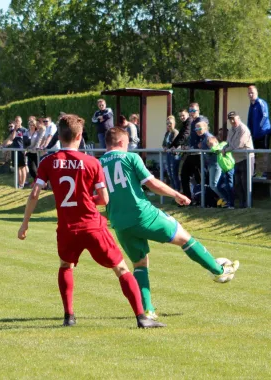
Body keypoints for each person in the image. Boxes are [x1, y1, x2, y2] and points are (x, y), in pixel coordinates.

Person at [17, 114, 164, 329]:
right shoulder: (92, 162)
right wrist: (86, 200)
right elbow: (104, 199)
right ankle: (142, 317)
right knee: (121, 269)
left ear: (60, 135)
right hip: (92, 225)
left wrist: (25, 223)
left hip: (67, 227)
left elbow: (35, 194)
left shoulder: (48, 161)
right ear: (79, 136)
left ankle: (69, 316)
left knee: (66, 266)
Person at [100, 127, 240, 320]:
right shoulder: (130, 158)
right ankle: (219, 271)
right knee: (184, 238)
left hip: (119, 222)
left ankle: (147, 310)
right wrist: (176, 194)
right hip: (143, 215)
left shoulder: (98, 164)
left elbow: (99, 196)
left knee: (140, 264)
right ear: (123, 142)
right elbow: (152, 183)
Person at [222, 112, 254, 208]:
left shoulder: (243, 129)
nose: (232, 121)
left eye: (233, 118)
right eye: (230, 119)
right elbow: (228, 143)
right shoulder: (231, 130)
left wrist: (225, 150)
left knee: (245, 182)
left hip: (246, 158)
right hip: (236, 160)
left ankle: (248, 204)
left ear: (238, 118)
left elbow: (237, 145)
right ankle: (241, 203)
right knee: (237, 183)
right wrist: (223, 148)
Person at [180, 103, 208, 202]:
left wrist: (199, 144)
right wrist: (186, 146)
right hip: (192, 153)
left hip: (200, 155)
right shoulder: (192, 122)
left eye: (194, 111)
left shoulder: (201, 120)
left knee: (201, 178)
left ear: (198, 111)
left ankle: (204, 200)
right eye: (190, 111)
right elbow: (191, 138)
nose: (192, 113)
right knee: (184, 174)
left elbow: (205, 135)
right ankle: (188, 199)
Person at [195, 122, 226, 205]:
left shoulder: (208, 137)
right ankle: (223, 200)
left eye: (199, 128)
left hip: (215, 164)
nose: (197, 130)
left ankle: (226, 199)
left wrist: (202, 147)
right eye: (196, 129)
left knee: (213, 185)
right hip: (211, 164)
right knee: (214, 184)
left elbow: (215, 147)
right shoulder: (202, 137)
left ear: (205, 128)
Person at [247, 85, 271, 179]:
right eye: (249, 93)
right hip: (254, 134)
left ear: (256, 93)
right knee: (252, 152)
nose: (250, 95)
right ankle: (252, 172)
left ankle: (266, 171)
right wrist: (249, 132)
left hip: (264, 132)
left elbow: (265, 116)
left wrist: (259, 128)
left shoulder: (261, 102)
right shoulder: (251, 105)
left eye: (252, 93)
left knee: (265, 151)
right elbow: (249, 120)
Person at [207, 135, 235, 208]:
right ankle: (227, 200)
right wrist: (213, 147)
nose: (211, 147)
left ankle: (231, 204)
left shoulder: (223, 144)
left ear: (216, 142)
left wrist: (213, 147)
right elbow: (214, 149)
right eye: (209, 145)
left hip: (230, 168)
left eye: (211, 144)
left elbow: (220, 146)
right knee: (219, 186)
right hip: (224, 170)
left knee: (230, 186)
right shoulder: (217, 149)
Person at [4, 116, 30, 189]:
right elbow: (11, 139)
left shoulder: (24, 130)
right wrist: (15, 130)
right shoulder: (13, 131)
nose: (17, 122)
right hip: (14, 151)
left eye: (18, 121)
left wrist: (25, 150)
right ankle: (20, 183)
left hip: (21, 151)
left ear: (21, 122)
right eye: (16, 121)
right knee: (17, 168)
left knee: (23, 167)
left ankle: (23, 183)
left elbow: (26, 141)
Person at [162, 116, 180, 191]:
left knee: (174, 173)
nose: (169, 125)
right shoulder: (167, 133)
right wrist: (165, 147)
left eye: (170, 123)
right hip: (168, 154)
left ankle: (177, 190)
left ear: (174, 123)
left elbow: (173, 143)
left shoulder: (175, 132)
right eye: (167, 123)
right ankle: (173, 191)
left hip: (174, 155)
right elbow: (163, 144)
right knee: (169, 173)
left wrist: (168, 147)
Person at [27, 116, 44, 181]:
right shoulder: (27, 132)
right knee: (32, 170)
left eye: (33, 125)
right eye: (30, 125)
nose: (31, 126)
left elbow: (39, 140)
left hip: (38, 153)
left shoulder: (39, 131)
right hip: (30, 152)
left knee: (39, 169)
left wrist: (35, 147)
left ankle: (43, 184)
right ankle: (37, 181)